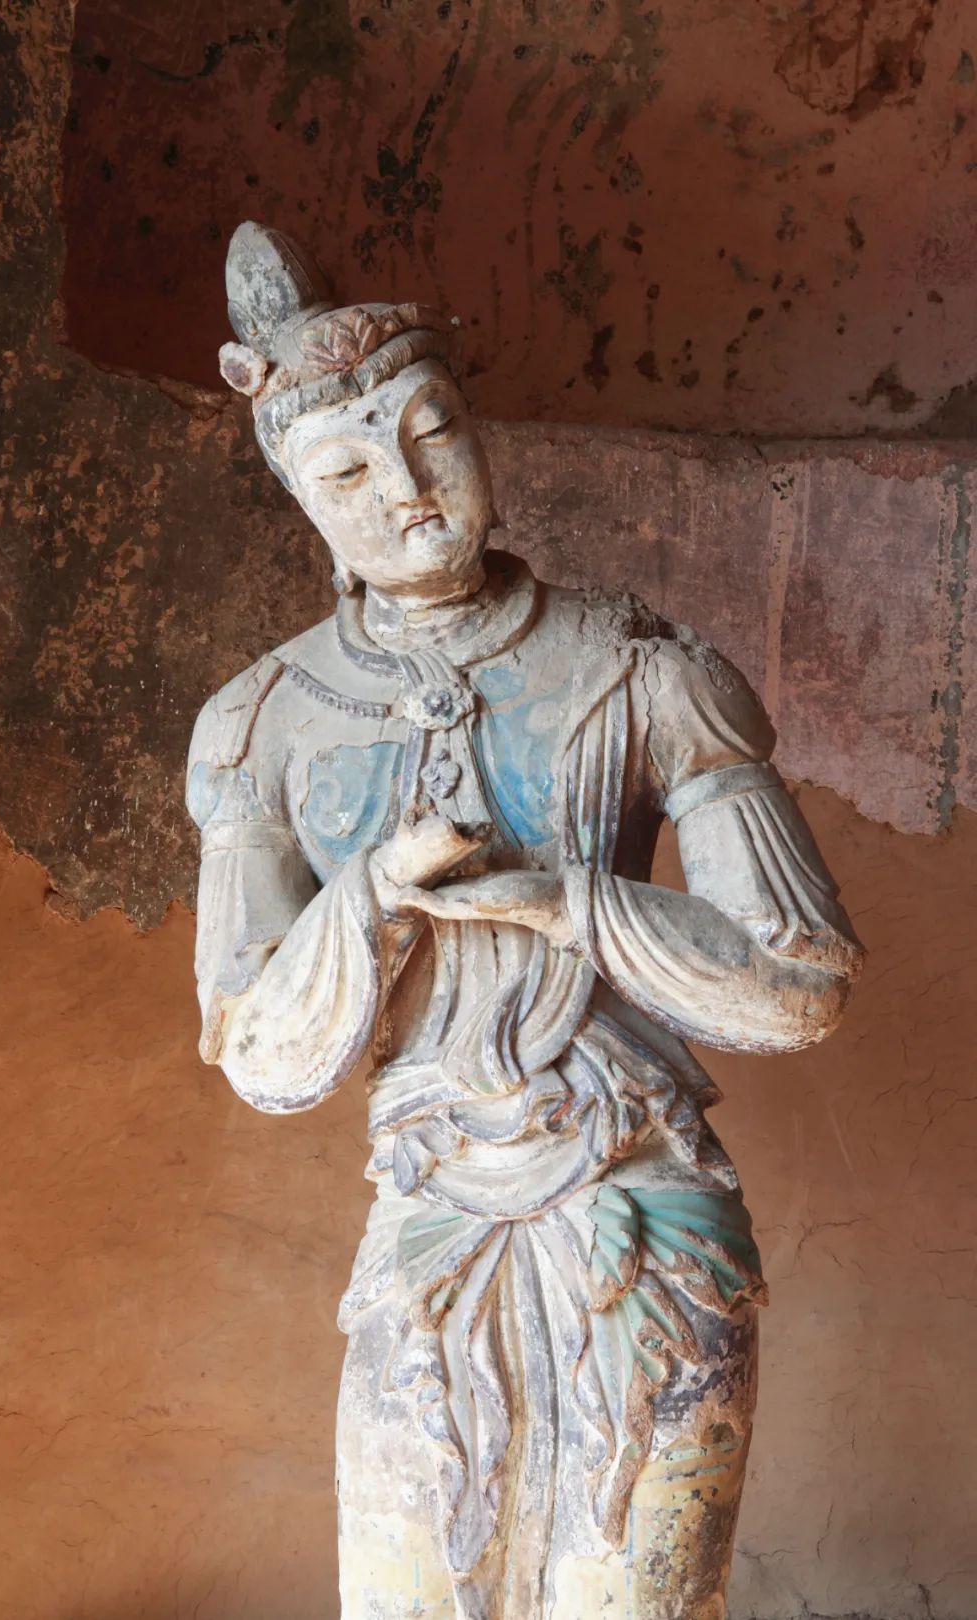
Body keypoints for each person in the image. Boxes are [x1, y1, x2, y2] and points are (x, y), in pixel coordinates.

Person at [186, 223, 864, 1620]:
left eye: (432, 433)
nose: (410, 492)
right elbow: (259, 1054)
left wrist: (571, 903)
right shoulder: (261, 723)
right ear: (301, 498)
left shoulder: (642, 666)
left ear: (475, 427)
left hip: (642, 1204)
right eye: (348, 472)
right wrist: (373, 898)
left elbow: (799, 987)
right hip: (431, 1218)